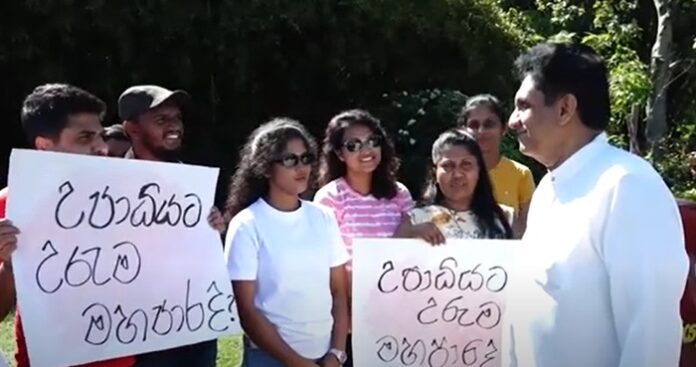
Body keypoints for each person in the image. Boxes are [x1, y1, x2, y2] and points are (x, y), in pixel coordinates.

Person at [502, 42, 688, 367]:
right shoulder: (548, 187)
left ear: (565, 109)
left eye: (523, 106)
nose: (513, 121)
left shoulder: (627, 186)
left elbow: (650, 336)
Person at [0, 83, 135, 367]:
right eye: (85, 138)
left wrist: (204, 225)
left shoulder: (131, 201)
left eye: (100, 136)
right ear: (44, 146)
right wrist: (9, 265)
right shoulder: (8, 207)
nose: (101, 148)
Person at [224, 118, 349, 367]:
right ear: (266, 167)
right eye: (290, 159)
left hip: (325, 358)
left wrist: (336, 353)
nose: (301, 167)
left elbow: (339, 292)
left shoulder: (323, 217)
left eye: (306, 158)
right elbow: (247, 311)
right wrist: (299, 364)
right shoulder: (247, 224)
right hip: (268, 359)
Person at [118, 85, 224, 366]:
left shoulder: (192, 182)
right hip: (142, 330)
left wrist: (214, 228)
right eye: (161, 120)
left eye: (176, 118)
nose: (175, 126)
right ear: (132, 128)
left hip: (195, 324)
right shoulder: (111, 187)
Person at [313, 109, 413, 366]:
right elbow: (325, 266)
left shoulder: (399, 194)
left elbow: (413, 250)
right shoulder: (329, 198)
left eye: (372, 141)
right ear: (339, 153)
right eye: (353, 144)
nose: (366, 149)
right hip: (348, 323)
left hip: (396, 317)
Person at [394, 129, 513, 243]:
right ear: (435, 172)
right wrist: (410, 234)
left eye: (466, 165)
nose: (457, 174)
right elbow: (388, 257)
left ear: (479, 170)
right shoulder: (416, 219)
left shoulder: (505, 218)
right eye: (448, 166)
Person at [457, 94, 535, 237]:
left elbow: (527, 233)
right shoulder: (453, 174)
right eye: (474, 125)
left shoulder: (521, 174)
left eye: (489, 124)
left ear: (503, 129)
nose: (481, 131)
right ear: (463, 130)